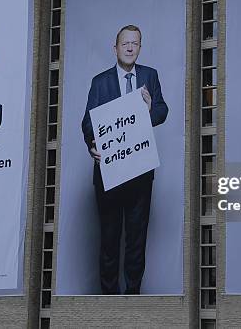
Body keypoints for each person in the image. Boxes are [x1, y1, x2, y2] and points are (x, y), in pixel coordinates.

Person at [81, 24, 168, 295]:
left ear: (139, 47)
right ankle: (109, 301)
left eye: (135, 43)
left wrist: (150, 108)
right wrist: (92, 145)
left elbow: (163, 111)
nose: (130, 47)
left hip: (140, 173)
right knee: (109, 239)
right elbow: (88, 122)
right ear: (115, 47)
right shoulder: (100, 81)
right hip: (108, 172)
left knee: (136, 240)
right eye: (125, 43)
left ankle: (133, 298)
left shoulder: (150, 76)